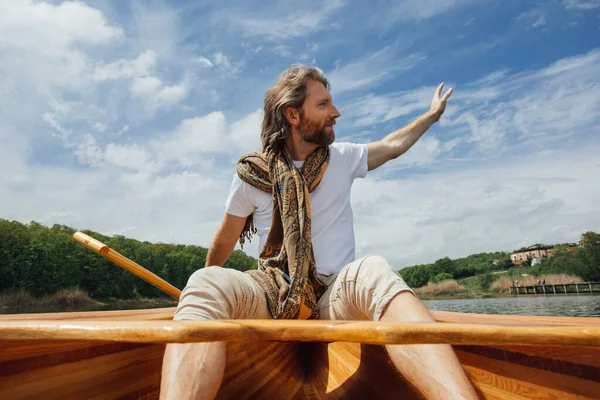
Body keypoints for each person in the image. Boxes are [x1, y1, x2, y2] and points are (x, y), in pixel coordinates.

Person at [160, 65, 479, 400]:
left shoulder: (343, 158)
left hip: (333, 293)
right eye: (324, 104)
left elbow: (392, 144)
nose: (336, 112)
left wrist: (431, 116)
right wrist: (195, 303)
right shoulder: (253, 174)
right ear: (293, 115)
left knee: (376, 272)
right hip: (273, 291)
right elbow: (225, 241)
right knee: (203, 282)